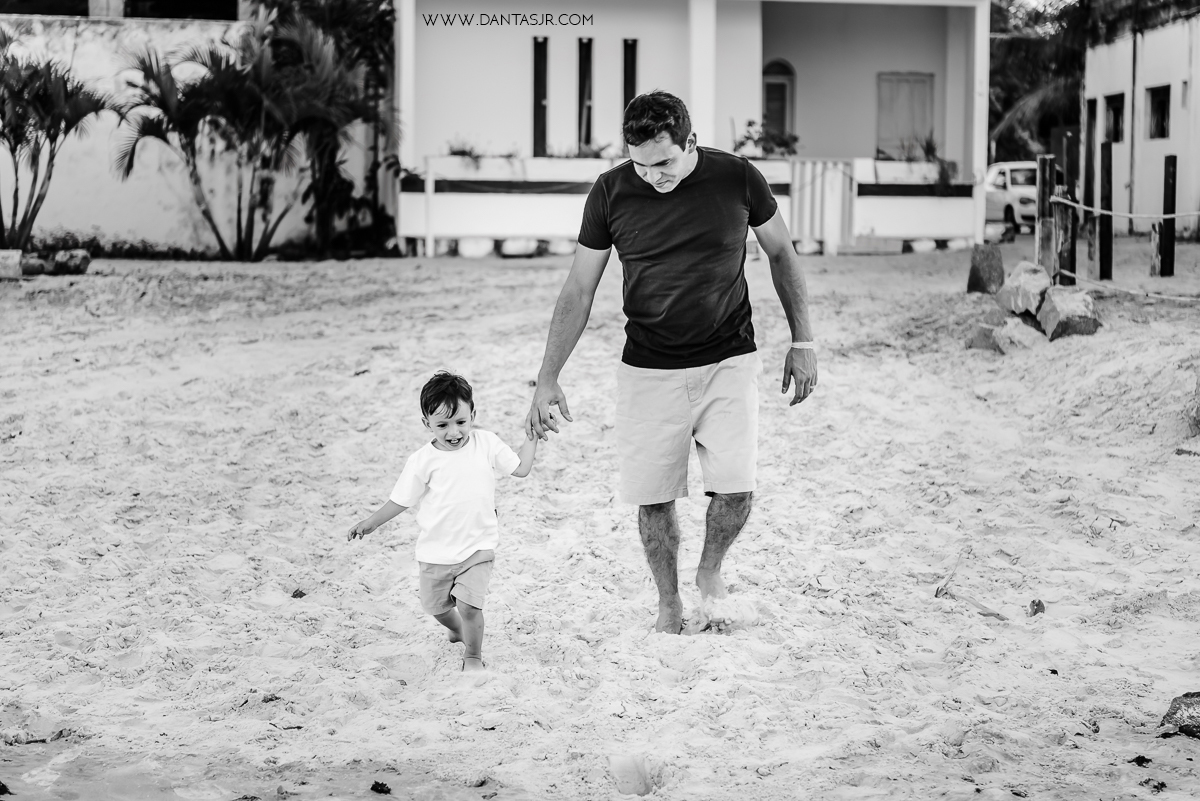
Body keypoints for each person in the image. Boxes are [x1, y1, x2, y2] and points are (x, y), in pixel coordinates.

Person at [525, 90, 818, 634]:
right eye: (641, 164)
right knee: (653, 498)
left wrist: (804, 342)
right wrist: (548, 377)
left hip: (729, 357)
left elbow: (781, 253)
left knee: (736, 490)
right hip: (647, 366)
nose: (653, 176)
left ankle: (710, 571)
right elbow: (579, 288)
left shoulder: (738, 178)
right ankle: (668, 602)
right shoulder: (611, 191)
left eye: (663, 163)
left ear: (691, 143)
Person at [349, 371, 537, 671]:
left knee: (470, 605)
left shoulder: (486, 443)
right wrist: (372, 522)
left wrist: (532, 436)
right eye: (442, 425)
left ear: (472, 415)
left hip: (478, 546)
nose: (454, 432)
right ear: (427, 424)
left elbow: (521, 468)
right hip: (435, 551)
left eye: (461, 422)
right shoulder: (422, 460)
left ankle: (473, 655)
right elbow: (402, 499)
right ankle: (457, 629)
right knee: (435, 607)